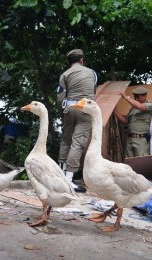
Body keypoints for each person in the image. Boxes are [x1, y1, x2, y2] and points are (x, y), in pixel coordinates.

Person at [57, 49, 97, 192]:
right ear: (81, 60)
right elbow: (93, 91)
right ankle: (68, 180)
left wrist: (63, 112)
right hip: (84, 110)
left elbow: (61, 96)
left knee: (66, 140)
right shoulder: (91, 73)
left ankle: (60, 175)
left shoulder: (64, 75)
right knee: (78, 143)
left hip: (68, 108)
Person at [114, 86, 152, 157]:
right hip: (130, 139)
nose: (136, 99)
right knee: (129, 162)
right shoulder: (133, 109)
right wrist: (115, 111)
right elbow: (125, 121)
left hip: (141, 141)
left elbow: (141, 107)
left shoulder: (150, 105)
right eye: (135, 97)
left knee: (141, 162)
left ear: (144, 96)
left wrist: (126, 97)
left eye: (137, 97)